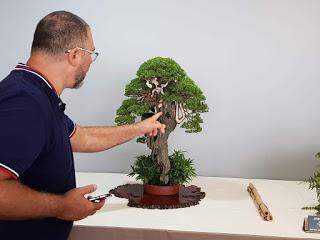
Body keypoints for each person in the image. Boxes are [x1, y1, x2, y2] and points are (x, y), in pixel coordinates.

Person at [0, 11, 165, 240]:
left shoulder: (38, 94)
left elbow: (83, 137)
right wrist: (61, 206)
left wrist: (141, 127)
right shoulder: (25, 103)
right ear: (76, 55)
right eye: (91, 53)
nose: (90, 62)